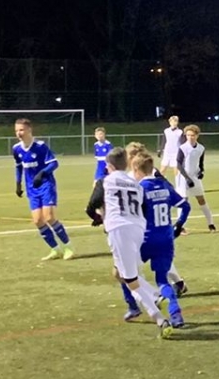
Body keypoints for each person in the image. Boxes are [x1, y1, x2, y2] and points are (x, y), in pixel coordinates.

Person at [86, 143, 173, 338]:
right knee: (123, 274)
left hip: (119, 229)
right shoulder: (135, 183)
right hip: (138, 228)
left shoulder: (105, 181)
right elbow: (142, 207)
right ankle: (159, 317)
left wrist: (99, 218)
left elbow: (91, 207)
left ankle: (156, 298)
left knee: (130, 279)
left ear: (109, 165)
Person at [137, 150, 191, 328]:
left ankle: (142, 303)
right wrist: (178, 225)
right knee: (162, 279)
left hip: (146, 240)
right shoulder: (164, 185)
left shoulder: (140, 189)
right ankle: (175, 313)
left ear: (137, 170)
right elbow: (185, 206)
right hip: (166, 238)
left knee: (126, 273)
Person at [12, 118, 73, 260]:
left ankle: (68, 247)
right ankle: (55, 249)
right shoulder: (16, 149)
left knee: (49, 217)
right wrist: (18, 184)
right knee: (38, 220)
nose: (19, 133)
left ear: (29, 130)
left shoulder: (40, 146)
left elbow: (54, 163)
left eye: (21, 130)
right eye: (16, 131)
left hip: (46, 185)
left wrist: (42, 173)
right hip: (31, 188)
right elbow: (18, 166)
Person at [176, 124, 217, 235]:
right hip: (184, 178)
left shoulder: (201, 148)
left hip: (195, 177)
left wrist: (201, 172)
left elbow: (201, 163)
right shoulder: (183, 148)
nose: (190, 137)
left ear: (197, 136)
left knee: (201, 200)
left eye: (192, 135)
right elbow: (179, 164)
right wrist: (187, 178)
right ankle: (180, 226)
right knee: (184, 201)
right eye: (188, 135)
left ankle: (211, 224)